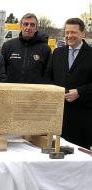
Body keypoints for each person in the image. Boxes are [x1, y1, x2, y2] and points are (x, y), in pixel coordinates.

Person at [45, 18, 92, 149]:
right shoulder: (57, 53)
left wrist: (79, 92)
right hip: (57, 117)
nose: (69, 36)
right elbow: (48, 78)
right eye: (67, 32)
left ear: (83, 34)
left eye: (73, 32)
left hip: (82, 119)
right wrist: (55, 92)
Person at [1, 13, 51, 84]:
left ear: (36, 28)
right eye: (26, 24)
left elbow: (48, 75)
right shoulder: (8, 46)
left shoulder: (45, 49)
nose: (28, 27)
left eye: (32, 25)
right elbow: (2, 72)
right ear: (20, 26)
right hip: (12, 92)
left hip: (35, 93)